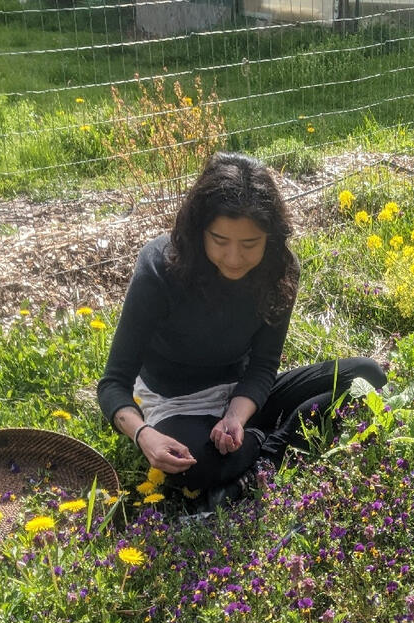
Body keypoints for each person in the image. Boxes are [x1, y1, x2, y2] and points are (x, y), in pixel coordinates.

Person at [97, 152, 387, 504]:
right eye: (220, 241)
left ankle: (259, 454)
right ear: (198, 229)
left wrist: (235, 415)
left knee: (367, 376)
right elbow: (114, 382)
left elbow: (263, 365)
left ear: (271, 237)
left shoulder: (281, 270)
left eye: (250, 244)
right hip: (175, 403)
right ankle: (278, 438)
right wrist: (144, 435)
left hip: (243, 398)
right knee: (193, 464)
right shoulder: (159, 266)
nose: (234, 258)